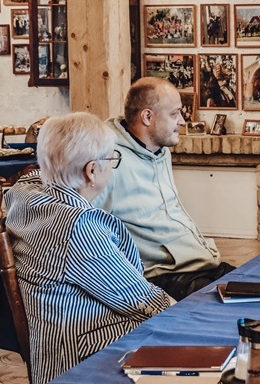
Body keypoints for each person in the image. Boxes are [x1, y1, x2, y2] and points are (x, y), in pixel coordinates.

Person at [4, 113, 172, 384]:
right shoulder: (77, 227)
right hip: (85, 359)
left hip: (53, 349)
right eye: (111, 159)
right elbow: (144, 303)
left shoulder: (23, 195)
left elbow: (34, 175)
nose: (112, 165)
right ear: (92, 171)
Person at [93, 77, 234, 300]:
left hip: (201, 263)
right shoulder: (109, 162)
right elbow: (85, 223)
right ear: (147, 116)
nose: (182, 120)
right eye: (174, 114)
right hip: (167, 275)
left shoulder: (161, 151)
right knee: (241, 309)